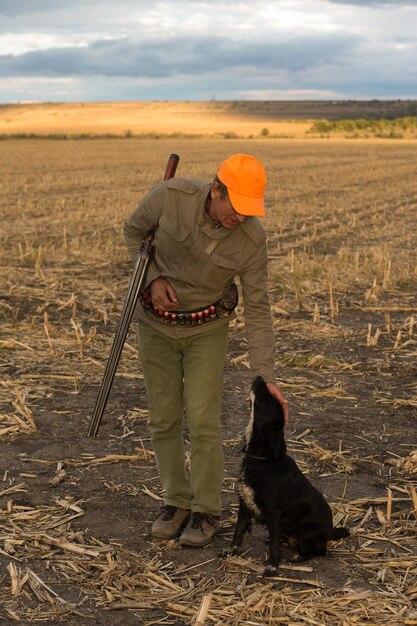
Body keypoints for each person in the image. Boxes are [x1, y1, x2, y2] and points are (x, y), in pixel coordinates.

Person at [123, 153, 288, 547]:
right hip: (155, 325)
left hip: (206, 328)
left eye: (251, 210)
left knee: (202, 420)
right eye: (237, 207)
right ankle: (175, 501)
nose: (242, 218)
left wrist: (267, 376)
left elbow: (259, 306)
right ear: (216, 190)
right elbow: (133, 232)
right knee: (162, 418)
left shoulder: (252, 239)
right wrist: (152, 278)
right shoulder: (169, 196)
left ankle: (207, 510)